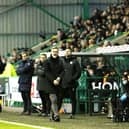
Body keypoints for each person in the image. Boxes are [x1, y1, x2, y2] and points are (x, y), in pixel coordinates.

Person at [59, 48, 81, 119]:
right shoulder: (62, 61)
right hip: (63, 84)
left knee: (73, 98)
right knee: (60, 98)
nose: (67, 52)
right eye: (66, 51)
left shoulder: (75, 61)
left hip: (72, 84)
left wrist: (72, 79)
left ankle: (73, 113)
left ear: (71, 52)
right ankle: (56, 112)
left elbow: (78, 72)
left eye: (68, 51)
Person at [44, 47, 64, 122]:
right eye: (53, 51)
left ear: (58, 52)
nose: (55, 53)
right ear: (51, 52)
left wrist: (59, 78)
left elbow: (63, 71)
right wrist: (53, 80)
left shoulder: (61, 61)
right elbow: (47, 72)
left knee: (58, 100)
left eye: (56, 51)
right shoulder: (47, 61)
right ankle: (56, 115)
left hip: (59, 82)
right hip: (50, 83)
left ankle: (52, 115)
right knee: (54, 99)